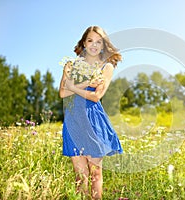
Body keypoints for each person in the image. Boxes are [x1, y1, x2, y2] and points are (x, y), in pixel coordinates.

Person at [59, 25, 123, 199]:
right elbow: (63, 93)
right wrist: (82, 84)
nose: (94, 45)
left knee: (95, 175)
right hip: (73, 120)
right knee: (81, 178)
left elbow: (96, 96)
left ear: (103, 45)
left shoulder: (106, 67)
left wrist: (72, 86)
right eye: (90, 40)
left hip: (93, 120)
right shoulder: (71, 65)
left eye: (99, 42)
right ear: (84, 43)